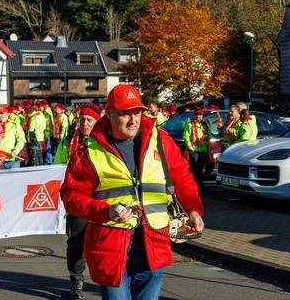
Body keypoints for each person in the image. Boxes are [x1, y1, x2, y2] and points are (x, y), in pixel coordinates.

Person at [61, 84, 204, 300]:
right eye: (124, 114)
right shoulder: (88, 152)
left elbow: (182, 176)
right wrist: (105, 211)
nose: (133, 120)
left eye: (137, 112)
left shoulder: (160, 140)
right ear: (108, 114)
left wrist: (193, 208)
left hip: (153, 247)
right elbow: (72, 197)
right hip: (111, 251)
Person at [59, 104, 101, 299]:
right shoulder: (69, 140)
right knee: (76, 246)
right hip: (78, 203)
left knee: (103, 246)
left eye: (89, 120)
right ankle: (76, 283)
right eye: (82, 119)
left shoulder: (104, 142)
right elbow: (59, 165)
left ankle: (107, 283)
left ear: (96, 122)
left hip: (100, 201)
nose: (85, 123)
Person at [183, 108, 210, 187]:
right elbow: (186, 136)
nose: (199, 116)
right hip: (194, 150)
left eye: (201, 115)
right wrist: (190, 147)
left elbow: (208, 134)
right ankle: (196, 185)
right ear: (195, 115)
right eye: (198, 115)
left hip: (203, 149)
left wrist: (208, 142)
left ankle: (199, 184)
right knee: (195, 169)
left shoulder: (205, 123)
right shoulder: (190, 123)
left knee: (201, 169)